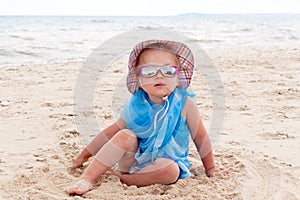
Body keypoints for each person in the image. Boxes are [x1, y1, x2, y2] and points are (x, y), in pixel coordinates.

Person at [67, 40, 227, 195]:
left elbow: (200, 136)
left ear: (178, 77)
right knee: (124, 135)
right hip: (135, 159)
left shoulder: (185, 103)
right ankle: (87, 178)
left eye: (168, 71)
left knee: (171, 170)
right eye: (149, 71)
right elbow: (110, 133)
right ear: (139, 80)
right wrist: (83, 156)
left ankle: (125, 179)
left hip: (166, 163)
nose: (159, 76)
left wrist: (210, 168)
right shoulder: (136, 104)